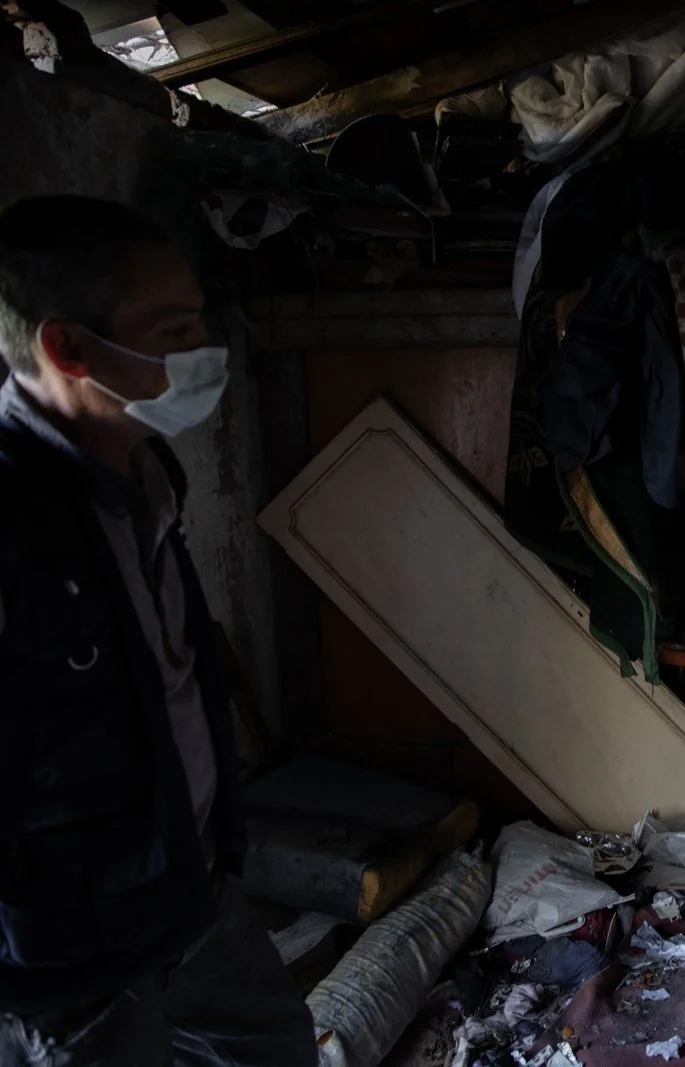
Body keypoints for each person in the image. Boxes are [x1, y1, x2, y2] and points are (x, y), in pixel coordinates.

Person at [0, 197, 315, 1066]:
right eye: (173, 328)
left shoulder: (144, 469)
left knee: (270, 1045)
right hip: (74, 951)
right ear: (68, 348)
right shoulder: (14, 521)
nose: (205, 348)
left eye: (199, 319)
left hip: (189, 878)